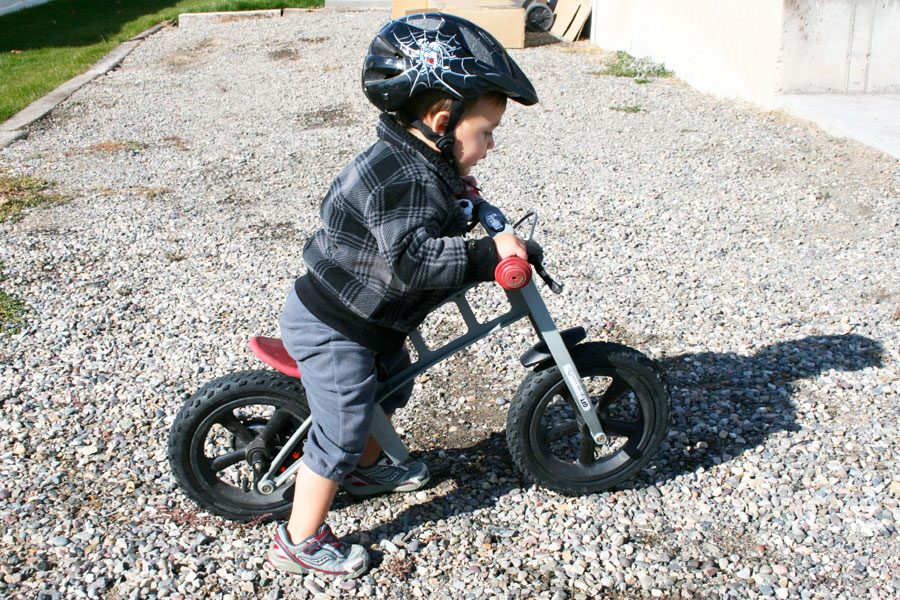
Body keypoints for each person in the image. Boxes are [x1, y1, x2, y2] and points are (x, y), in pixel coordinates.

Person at [266, 12, 538, 578]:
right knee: (341, 427)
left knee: (392, 384)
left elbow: (428, 215)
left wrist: (466, 205)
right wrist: (488, 256)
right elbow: (414, 260)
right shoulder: (407, 177)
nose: (488, 147)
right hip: (336, 324)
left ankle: (364, 472)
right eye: (484, 133)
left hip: (366, 317)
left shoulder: (418, 160)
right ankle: (300, 538)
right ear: (443, 119)